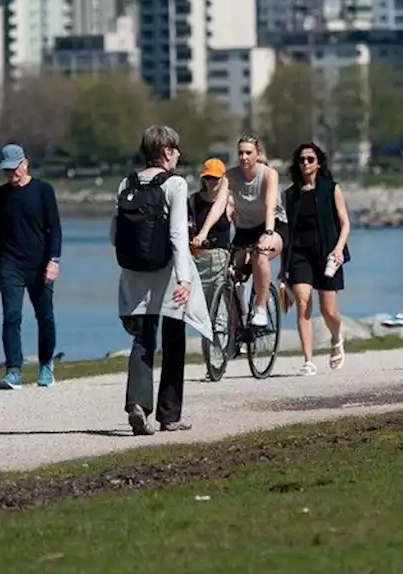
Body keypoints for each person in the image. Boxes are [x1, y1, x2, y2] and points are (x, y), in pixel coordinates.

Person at [114, 125, 211, 435]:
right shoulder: (176, 185)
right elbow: (178, 235)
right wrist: (184, 280)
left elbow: (115, 234)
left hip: (134, 273)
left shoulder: (125, 184)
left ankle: (137, 404)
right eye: (176, 150)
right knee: (173, 341)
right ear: (167, 151)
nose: (179, 155)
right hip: (167, 274)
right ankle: (169, 415)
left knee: (142, 340)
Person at [190, 134, 286, 328]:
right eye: (240, 153)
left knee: (261, 254)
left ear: (257, 154)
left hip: (271, 225)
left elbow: (270, 207)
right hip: (245, 228)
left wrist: (268, 233)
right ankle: (239, 321)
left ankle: (260, 309)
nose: (244, 157)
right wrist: (203, 233)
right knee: (233, 272)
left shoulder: (269, 174)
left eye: (248, 153)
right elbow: (219, 205)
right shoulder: (231, 176)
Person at [0, 143, 62, 390]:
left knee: (45, 317)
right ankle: (13, 370)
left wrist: (54, 260)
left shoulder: (43, 191)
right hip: (10, 264)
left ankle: (46, 364)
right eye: (7, 171)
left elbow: (54, 228)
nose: (12, 175)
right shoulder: (0, 195)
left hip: (40, 263)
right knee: (11, 317)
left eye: (14, 169)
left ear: (25, 163)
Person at [282, 143, 351, 375]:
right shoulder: (290, 195)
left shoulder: (331, 189)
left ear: (318, 162)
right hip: (300, 255)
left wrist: (339, 249)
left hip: (328, 253)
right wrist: (283, 272)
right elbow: (286, 231)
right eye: (302, 160)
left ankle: (336, 337)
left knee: (329, 311)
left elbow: (345, 223)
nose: (306, 164)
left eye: (310, 159)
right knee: (302, 302)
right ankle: (308, 360)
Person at [188, 158, 232, 310]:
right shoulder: (194, 201)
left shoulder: (229, 201)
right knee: (204, 311)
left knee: (222, 310)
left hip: (221, 257)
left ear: (223, 179)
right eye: (207, 178)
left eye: (215, 178)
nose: (211, 182)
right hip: (199, 258)